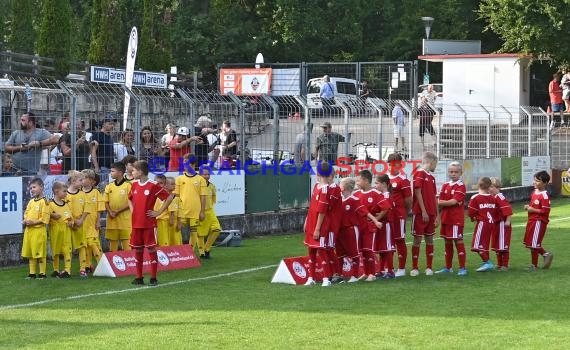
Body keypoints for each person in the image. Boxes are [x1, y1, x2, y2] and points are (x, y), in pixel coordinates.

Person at [129, 160, 175, 286]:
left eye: (133, 170)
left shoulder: (153, 185)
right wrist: (133, 210)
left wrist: (158, 211)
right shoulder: (133, 185)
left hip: (149, 224)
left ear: (140, 171)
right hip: (136, 223)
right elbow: (129, 199)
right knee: (138, 250)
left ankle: (153, 277)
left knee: (151, 249)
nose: (131, 172)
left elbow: (169, 197)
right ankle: (139, 277)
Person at [338, 177, 380, 283]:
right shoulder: (339, 200)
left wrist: (375, 221)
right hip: (340, 231)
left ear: (345, 187)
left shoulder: (354, 200)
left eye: (340, 184)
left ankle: (355, 275)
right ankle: (339, 275)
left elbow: (365, 212)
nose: (339, 186)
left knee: (355, 253)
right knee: (340, 254)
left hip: (352, 229)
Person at [303, 162, 336, 287]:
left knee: (321, 251)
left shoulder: (325, 190)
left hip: (320, 225)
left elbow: (322, 212)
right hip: (312, 222)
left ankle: (326, 279)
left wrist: (317, 229)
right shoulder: (317, 185)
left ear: (318, 173)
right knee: (311, 250)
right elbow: (313, 206)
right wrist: (307, 220)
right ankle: (311, 277)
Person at [436, 161, 467, 276]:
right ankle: (448, 267)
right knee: (447, 241)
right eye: (451, 172)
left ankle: (462, 268)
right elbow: (441, 203)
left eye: (456, 172)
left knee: (458, 241)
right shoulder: (445, 185)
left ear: (460, 173)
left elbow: (453, 201)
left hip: (455, 219)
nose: (453, 174)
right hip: (445, 218)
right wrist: (438, 217)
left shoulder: (461, 186)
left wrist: (443, 202)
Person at [410, 151, 438, 277]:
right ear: (431, 161)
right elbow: (417, 192)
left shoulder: (431, 177)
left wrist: (437, 215)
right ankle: (415, 268)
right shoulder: (419, 174)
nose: (435, 166)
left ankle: (429, 267)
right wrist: (424, 211)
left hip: (431, 213)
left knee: (430, 239)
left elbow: (434, 196)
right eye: (435, 163)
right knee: (417, 239)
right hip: (421, 213)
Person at [353, 169, 384, 282]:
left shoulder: (376, 194)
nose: (357, 182)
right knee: (363, 250)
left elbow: (386, 207)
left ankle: (373, 273)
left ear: (366, 181)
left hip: (370, 226)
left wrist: (376, 219)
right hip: (359, 226)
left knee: (368, 249)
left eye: (359, 180)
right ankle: (366, 272)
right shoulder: (356, 194)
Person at [174, 153, 207, 251]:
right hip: (182, 211)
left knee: (193, 232)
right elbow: (177, 196)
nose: (184, 165)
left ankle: (190, 253)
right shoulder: (179, 179)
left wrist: (202, 211)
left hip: (195, 211)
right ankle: (178, 251)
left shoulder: (200, 179)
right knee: (177, 229)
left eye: (186, 163)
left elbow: (203, 196)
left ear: (192, 164)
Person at [387, 153, 412, 277]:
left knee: (399, 240)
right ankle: (388, 268)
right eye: (393, 163)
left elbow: (408, 200)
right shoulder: (384, 179)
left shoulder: (403, 180)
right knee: (387, 241)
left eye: (398, 163)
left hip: (398, 214)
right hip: (387, 215)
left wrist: (404, 213)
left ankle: (401, 268)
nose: (396, 166)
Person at [523, 170, 554, 270]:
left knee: (534, 243)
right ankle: (545, 255)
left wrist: (532, 209)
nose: (534, 182)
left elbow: (545, 211)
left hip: (539, 222)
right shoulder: (534, 192)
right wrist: (529, 207)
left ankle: (534, 265)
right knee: (532, 243)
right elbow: (534, 206)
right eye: (534, 180)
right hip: (532, 220)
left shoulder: (544, 195)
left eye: (537, 181)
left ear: (545, 183)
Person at [21, 178, 50, 279]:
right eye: (31, 188)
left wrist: (33, 222)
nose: (32, 189)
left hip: (39, 231)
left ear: (41, 187)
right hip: (29, 231)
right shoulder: (31, 201)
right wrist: (25, 220)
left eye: (34, 187)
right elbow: (26, 213)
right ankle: (32, 273)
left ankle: (42, 273)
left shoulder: (45, 202)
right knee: (31, 252)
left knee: (40, 253)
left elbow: (45, 219)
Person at [467, 177, 498, 272]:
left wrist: (473, 218)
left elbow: (471, 212)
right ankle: (486, 263)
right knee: (484, 244)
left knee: (476, 245)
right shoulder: (492, 198)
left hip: (482, 223)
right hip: (490, 224)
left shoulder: (475, 197)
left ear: (478, 185)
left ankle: (487, 262)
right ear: (489, 187)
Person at [104, 162, 132, 252]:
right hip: (112, 220)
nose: (110, 173)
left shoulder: (128, 185)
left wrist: (118, 211)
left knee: (127, 246)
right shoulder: (109, 186)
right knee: (113, 246)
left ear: (120, 172)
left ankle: (129, 264)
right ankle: (113, 265)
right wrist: (110, 212)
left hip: (125, 221)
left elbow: (131, 202)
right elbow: (105, 201)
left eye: (112, 171)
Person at [48, 181, 74, 278]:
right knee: (55, 250)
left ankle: (67, 270)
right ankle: (56, 270)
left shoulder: (66, 204)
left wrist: (71, 222)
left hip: (66, 230)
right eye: (64, 191)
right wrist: (52, 215)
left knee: (67, 250)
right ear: (56, 191)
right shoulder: (50, 204)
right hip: (55, 230)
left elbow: (70, 217)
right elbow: (46, 215)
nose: (66, 193)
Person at [373, 174, 396, 279]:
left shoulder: (386, 195)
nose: (375, 185)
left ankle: (390, 271)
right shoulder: (381, 195)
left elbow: (386, 210)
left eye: (377, 183)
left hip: (386, 224)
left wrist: (377, 217)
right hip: (381, 225)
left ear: (384, 184)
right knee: (381, 249)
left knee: (387, 249)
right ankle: (381, 270)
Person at [67, 170, 88, 277]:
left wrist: (81, 220)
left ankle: (82, 269)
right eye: (80, 180)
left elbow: (87, 209)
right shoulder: (65, 194)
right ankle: (67, 269)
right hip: (69, 225)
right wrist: (73, 221)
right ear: (73, 181)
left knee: (82, 246)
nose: (82, 182)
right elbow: (64, 210)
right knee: (68, 248)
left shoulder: (82, 194)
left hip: (80, 224)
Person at [196, 168, 222, 258]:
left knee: (217, 229)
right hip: (199, 211)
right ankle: (202, 252)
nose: (207, 176)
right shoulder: (197, 187)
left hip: (210, 211)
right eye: (204, 174)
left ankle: (207, 248)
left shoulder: (212, 186)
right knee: (200, 233)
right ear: (199, 175)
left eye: (208, 174)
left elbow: (213, 199)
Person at [81, 169, 103, 273]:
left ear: (91, 180)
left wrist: (98, 221)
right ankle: (87, 265)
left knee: (94, 244)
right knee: (85, 245)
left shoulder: (96, 192)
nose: (82, 180)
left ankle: (102, 264)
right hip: (82, 224)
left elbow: (99, 208)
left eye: (84, 178)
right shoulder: (79, 192)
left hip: (93, 224)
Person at [489, 177, 513, 270]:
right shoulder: (493, 198)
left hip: (503, 224)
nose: (490, 189)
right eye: (488, 187)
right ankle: (499, 264)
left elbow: (508, 209)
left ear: (498, 187)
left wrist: (508, 221)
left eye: (492, 186)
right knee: (497, 245)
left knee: (503, 245)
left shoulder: (500, 197)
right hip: (496, 224)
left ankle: (505, 265)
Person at [154, 174, 171, 247]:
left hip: (163, 220)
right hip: (153, 221)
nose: (158, 185)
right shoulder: (151, 194)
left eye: (161, 183)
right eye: (156, 183)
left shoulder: (166, 195)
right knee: (155, 241)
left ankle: (165, 256)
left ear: (164, 185)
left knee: (164, 242)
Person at [419, 85, 437, 149]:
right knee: (421, 134)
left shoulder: (430, 107)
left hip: (428, 122)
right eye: (429, 88)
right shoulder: (421, 107)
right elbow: (418, 113)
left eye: (431, 88)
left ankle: (435, 143)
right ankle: (423, 146)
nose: (430, 89)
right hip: (422, 122)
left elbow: (434, 98)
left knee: (432, 132)